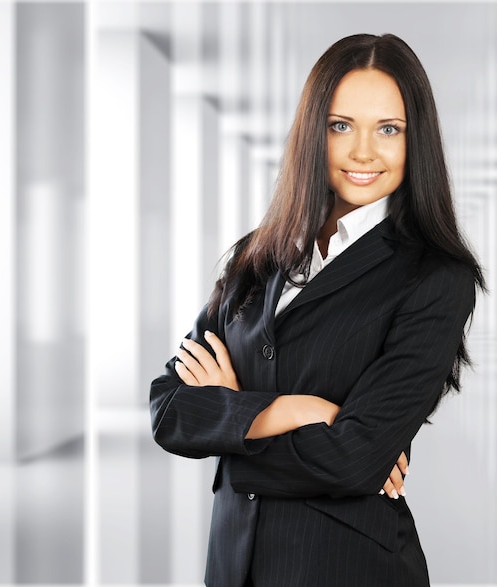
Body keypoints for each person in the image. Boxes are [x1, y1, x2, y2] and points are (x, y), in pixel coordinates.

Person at [150, 33, 485, 587]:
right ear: (313, 133)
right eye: (340, 125)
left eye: (388, 129)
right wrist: (299, 410)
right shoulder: (256, 256)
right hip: (233, 563)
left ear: (415, 140)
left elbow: (352, 458)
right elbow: (169, 411)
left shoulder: (435, 279)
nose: (362, 152)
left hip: (344, 566)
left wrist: (230, 414)